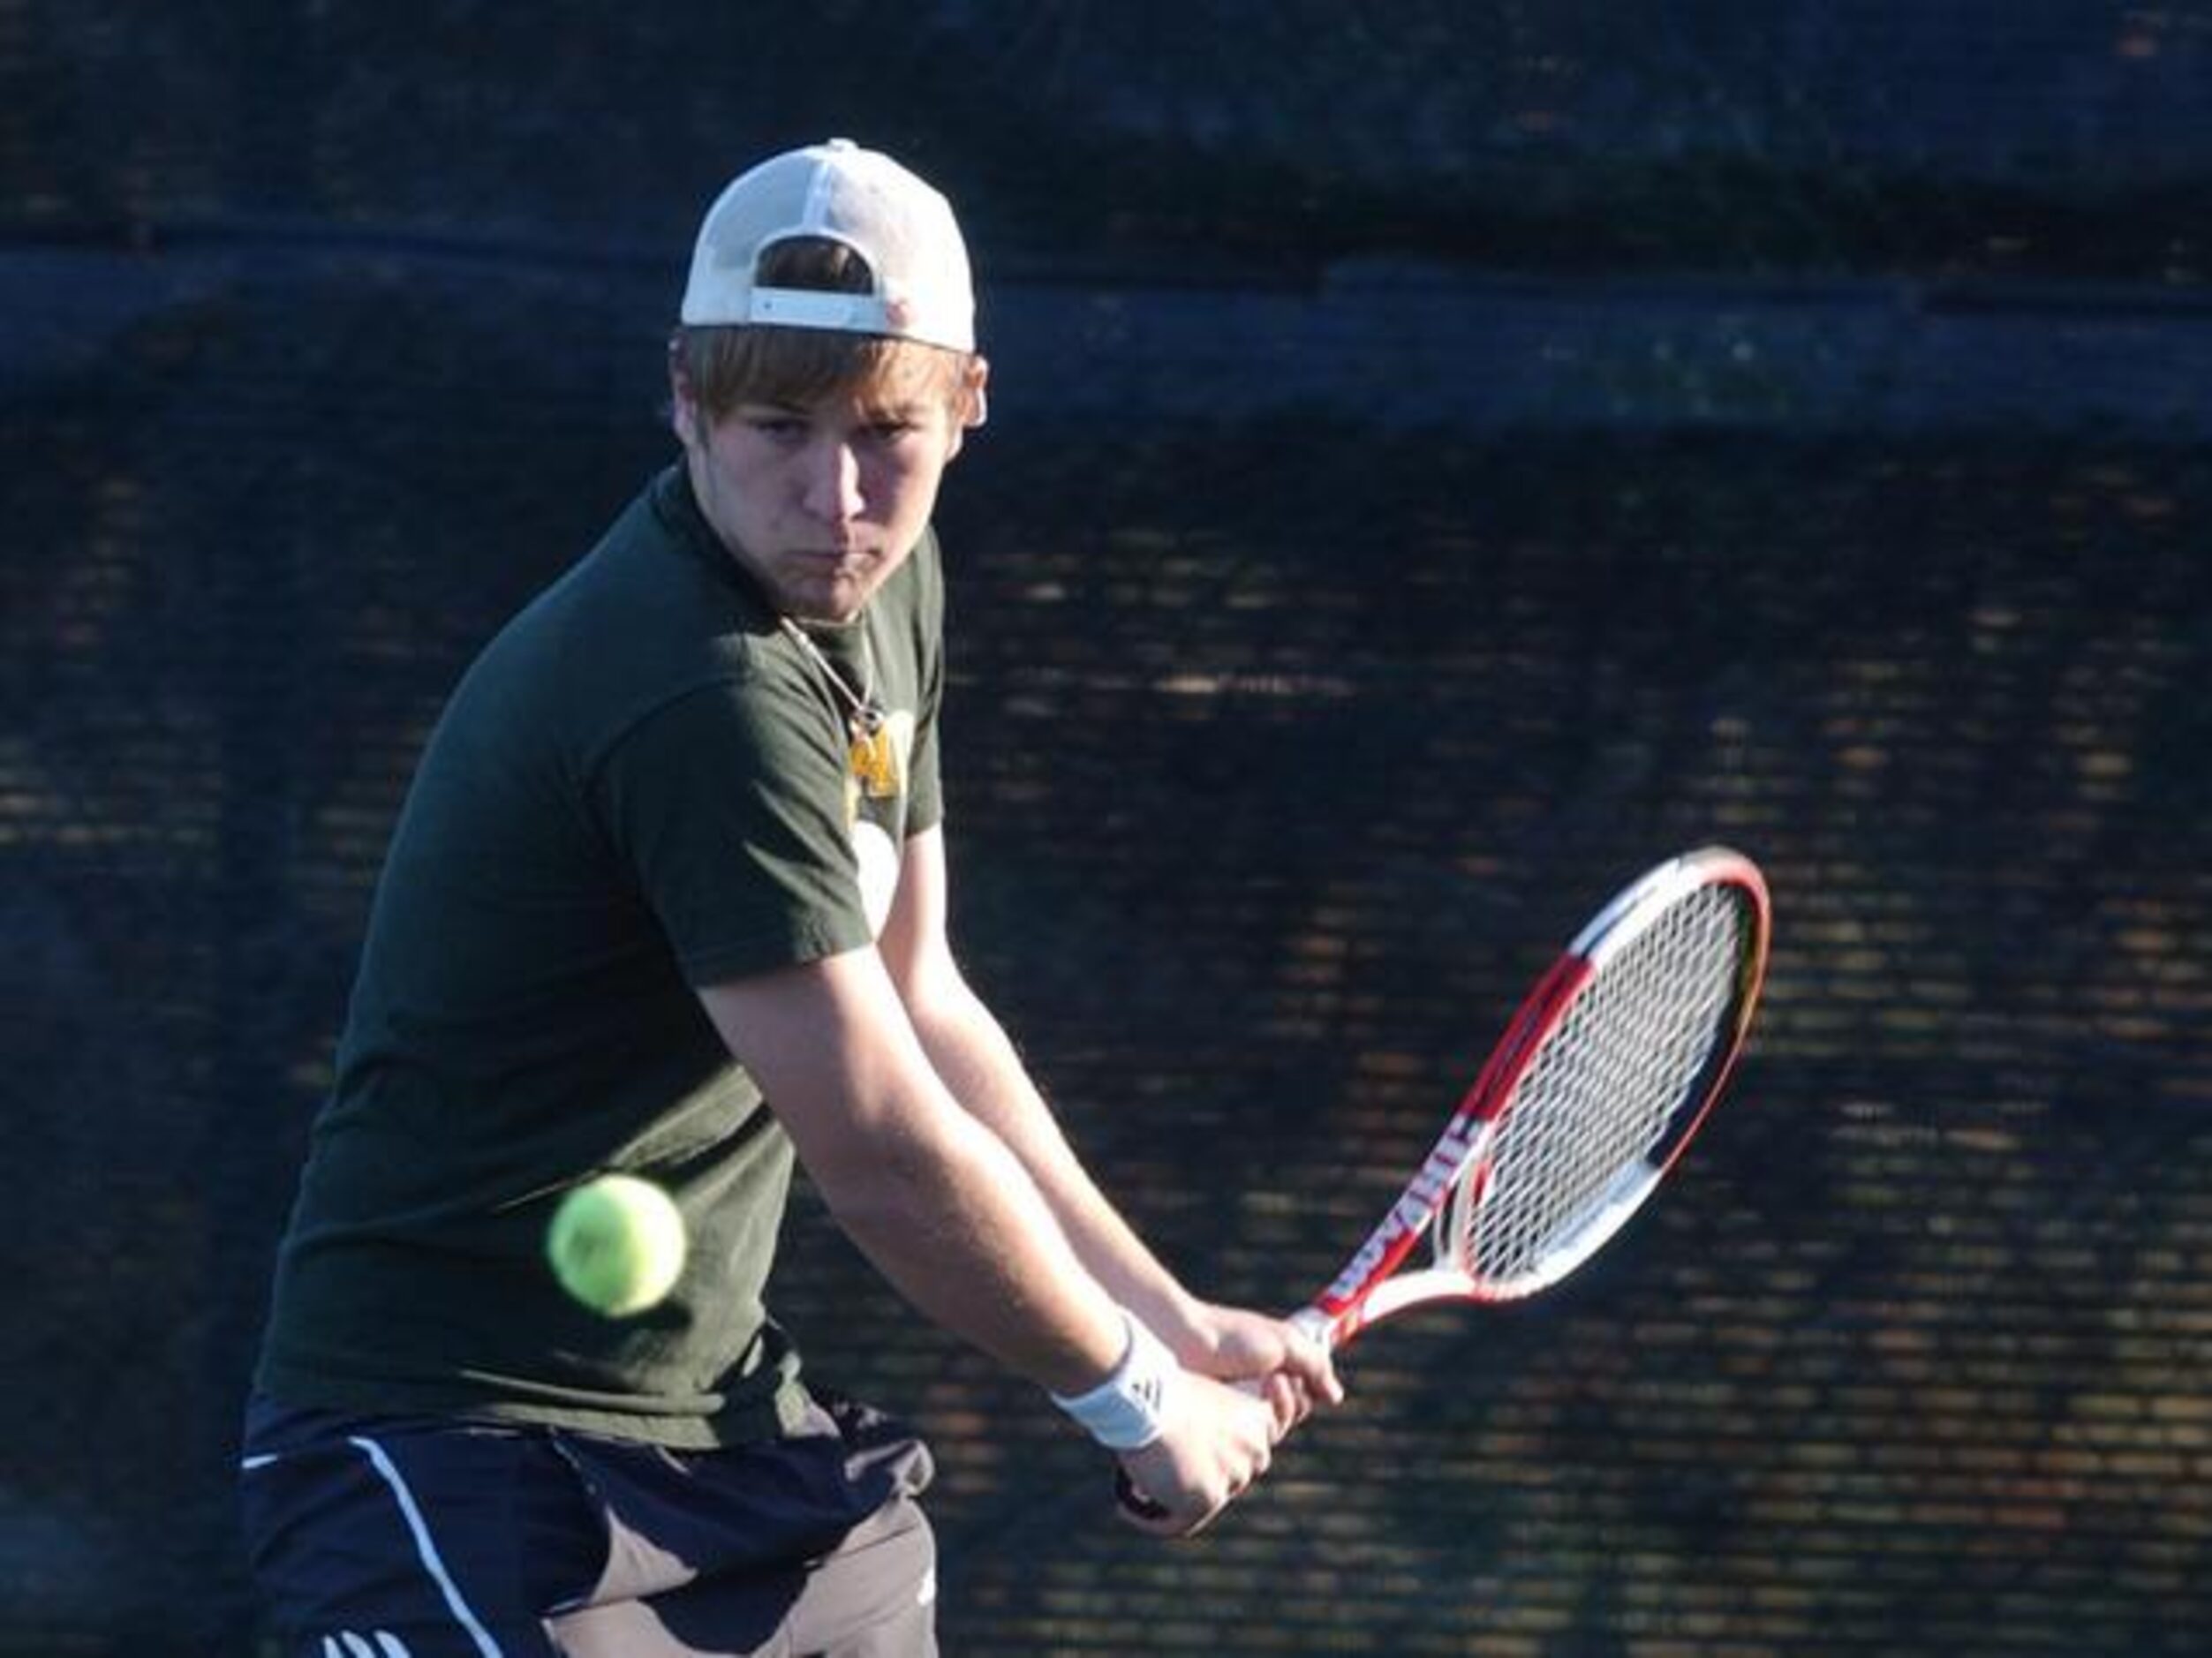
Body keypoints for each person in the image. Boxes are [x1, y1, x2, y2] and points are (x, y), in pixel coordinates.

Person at [238, 137, 1340, 1656]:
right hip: (445, 1446)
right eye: (776, 423)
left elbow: (921, 996)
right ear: (683, 399)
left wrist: (1160, 1310)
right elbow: (880, 1149)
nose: (834, 495)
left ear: (969, 405)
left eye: (886, 430)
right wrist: (1135, 1399)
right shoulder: (700, 687)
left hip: (724, 1444)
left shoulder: (894, 589)